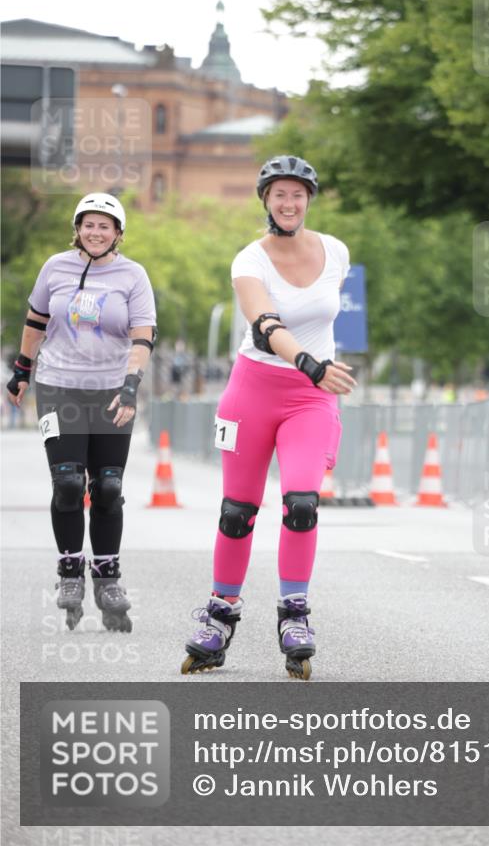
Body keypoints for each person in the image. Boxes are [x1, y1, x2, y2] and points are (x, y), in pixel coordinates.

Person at [182, 155, 356, 680]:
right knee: (238, 512)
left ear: (309, 200)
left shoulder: (336, 253)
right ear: (265, 200)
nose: (288, 203)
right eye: (279, 194)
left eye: (297, 194)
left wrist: (315, 374)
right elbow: (264, 322)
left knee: (301, 503)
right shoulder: (248, 260)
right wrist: (309, 362)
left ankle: (294, 615)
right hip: (254, 391)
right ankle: (219, 615)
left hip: (310, 398)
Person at [5, 192, 156, 633]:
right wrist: (21, 370)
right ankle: (70, 570)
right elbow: (35, 322)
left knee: (108, 487)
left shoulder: (133, 275)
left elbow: (143, 334)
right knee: (69, 481)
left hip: (110, 391)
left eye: (104, 226)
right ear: (77, 229)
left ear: (118, 234)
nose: (95, 232)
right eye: (88, 224)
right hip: (58, 387)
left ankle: (107, 578)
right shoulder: (55, 267)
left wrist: (130, 386)